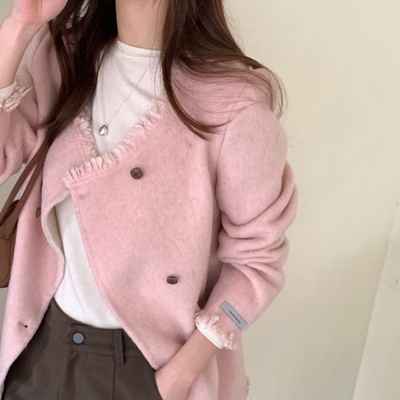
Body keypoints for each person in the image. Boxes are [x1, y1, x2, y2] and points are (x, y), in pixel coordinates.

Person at [0, 0, 298, 399]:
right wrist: (19, 27)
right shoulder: (63, 58)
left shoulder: (233, 103)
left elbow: (257, 261)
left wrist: (177, 377)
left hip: (147, 367)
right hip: (40, 349)